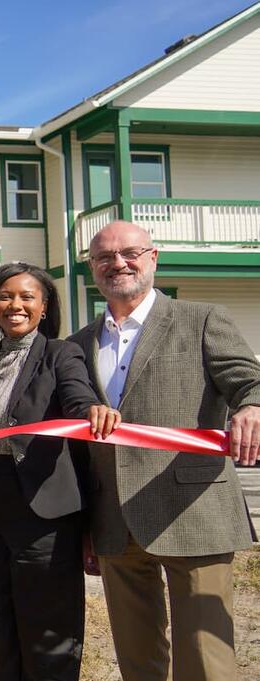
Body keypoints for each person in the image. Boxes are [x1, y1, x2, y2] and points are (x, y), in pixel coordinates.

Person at [69, 220, 260, 681]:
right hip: (114, 518)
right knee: (138, 660)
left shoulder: (202, 320)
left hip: (192, 509)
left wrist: (253, 406)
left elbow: (250, 381)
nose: (119, 263)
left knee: (206, 661)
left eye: (130, 252)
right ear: (92, 268)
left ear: (153, 257)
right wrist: (83, 526)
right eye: (104, 257)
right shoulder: (76, 344)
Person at [0, 262, 120, 681]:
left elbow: (78, 396)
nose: (16, 305)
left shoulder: (61, 353)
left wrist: (92, 410)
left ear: (44, 307)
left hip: (41, 506)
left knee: (49, 627)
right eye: (5, 297)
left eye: (27, 296)